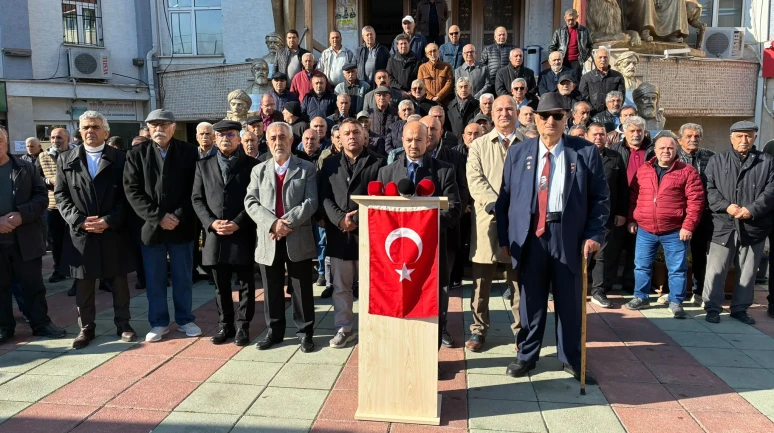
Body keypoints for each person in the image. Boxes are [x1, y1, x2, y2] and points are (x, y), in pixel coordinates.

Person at [495, 92, 609, 382]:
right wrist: (505, 238)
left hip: (567, 235)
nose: (550, 121)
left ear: (566, 118)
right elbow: (505, 198)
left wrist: (594, 234)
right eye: (544, 116)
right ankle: (526, 355)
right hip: (530, 235)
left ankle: (571, 357)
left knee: (569, 302)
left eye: (557, 116)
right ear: (535, 119)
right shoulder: (518, 153)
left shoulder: (585, 152)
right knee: (530, 301)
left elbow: (600, 199)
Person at [377, 121, 461, 358]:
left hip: (432, 253)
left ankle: (429, 360)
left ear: (428, 141)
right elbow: (379, 213)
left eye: (419, 139)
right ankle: (399, 357)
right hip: (398, 259)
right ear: (402, 141)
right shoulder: (387, 173)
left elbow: (454, 208)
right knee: (400, 305)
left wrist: (424, 226)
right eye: (409, 139)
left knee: (432, 306)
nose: (413, 144)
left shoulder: (444, 171)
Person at [54, 111, 136, 348]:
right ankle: (86, 328)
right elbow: (61, 195)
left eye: (95, 127)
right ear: (80, 132)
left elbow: (128, 196)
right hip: (82, 232)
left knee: (119, 281)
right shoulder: (66, 159)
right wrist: (78, 220)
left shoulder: (121, 158)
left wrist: (109, 220)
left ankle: (123, 324)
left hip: (113, 230)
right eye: (86, 127)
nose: (90, 131)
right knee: (84, 283)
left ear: (106, 132)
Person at [123, 109, 201, 342]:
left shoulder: (189, 151)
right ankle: (158, 322)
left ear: (173, 127)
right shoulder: (136, 153)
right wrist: (158, 217)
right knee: (154, 278)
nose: (159, 129)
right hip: (151, 227)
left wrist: (176, 216)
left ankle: (185, 319)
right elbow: (132, 190)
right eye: (154, 125)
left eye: (164, 124)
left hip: (181, 225)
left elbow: (195, 188)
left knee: (183, 277)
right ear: (148, 129)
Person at [245, 122, 318, 353]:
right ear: (267, 142)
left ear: (291, 141)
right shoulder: (258, 170)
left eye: (283, 137)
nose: (278, 142)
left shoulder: (306, 168)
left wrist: (286, 223)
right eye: (273, 138)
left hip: (297, 236)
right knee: (272, 288)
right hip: (269, 237)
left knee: (301, 288)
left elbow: (311, 202)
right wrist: (273, 223)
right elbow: (251, 202)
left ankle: (305, 333)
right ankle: (274, 332)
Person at [191, 120, 259, 346]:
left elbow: (257, 199)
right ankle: (225, 324)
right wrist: (211, 223)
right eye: (220, 135)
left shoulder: (253, 165)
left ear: (239, 138)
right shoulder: (203, 165)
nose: (225, 138)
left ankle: (243, 326)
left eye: (230, 134)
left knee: (246, 284)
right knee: (220, 284)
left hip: (242, 231)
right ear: (214, 139)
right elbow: (197, 199)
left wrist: (239, 222)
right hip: (215, 234)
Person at [319, 119, 385, 348]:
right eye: (346, 133)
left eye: (356, 132)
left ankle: (372, 327)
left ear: (364, 135)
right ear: (339, 138)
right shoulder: (329, 164)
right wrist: (340, 219)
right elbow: (324, 197)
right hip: (339, 234)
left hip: (369, 235)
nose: (351, 136)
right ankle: (344, 328)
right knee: (341, 287)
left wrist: (355, 219)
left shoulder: (379, 162)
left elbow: (382, 196)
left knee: (371, 287)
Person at [465, 95, 523, 352]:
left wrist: (518, 209)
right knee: (481, 282)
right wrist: (497, 205)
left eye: (509, 108)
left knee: (518, 281)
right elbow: (475, 179)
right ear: (492, 114)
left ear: (517, 112)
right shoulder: (479, 145)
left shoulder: (529, 144)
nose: (504, 113)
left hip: (519, 222)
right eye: (499, 109)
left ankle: (521, 331)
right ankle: (478, 330)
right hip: (487, 220)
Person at [625, 134, 704, 318]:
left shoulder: (687, 171)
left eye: (670, 148)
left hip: (675, 230)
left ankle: (676, 301)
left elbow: (696, 201)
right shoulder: (644, 170)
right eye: (662, 148)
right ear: (655, 150)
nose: (666, 151)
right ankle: (641, 297)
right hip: (645, 229)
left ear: (676, 150)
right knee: (641, 266)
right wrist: (631, 219)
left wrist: (688, 226)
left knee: (677, 269)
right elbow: (633, 197)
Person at [0, 128, 67, 344]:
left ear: (7, 142)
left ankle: (41, 323)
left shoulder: (25, 167)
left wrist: (22, 215)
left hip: (25, 240)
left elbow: (42, 198)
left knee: (33, 286)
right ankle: (3, 327)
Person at [703, 121, 774, 325]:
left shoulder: (767, 161)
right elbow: (709, 189)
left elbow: (771, 191)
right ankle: (712, 308)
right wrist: (726, 206)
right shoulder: (717, 160)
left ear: (754, 138)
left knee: (748, 271)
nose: (744, 140)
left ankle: (740, 309)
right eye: (740, 136)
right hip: (723, 224)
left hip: (754, 225)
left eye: (748, 136)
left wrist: (751, 209)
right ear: (731, 138)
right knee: (716, 269)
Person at [586, 123, 628, 308]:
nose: (598, 138)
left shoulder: (615, 157)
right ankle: (577, 288)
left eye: (602, 134)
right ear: (587, 136)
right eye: (595, 134)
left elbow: (623, 187)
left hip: (606, 214)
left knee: (602, 254)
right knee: (580, 253)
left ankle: (598, 291)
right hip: (581, 214)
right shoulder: (578, 155)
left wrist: (621, 212)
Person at [609, 116, 652, 292]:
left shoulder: (652, 151)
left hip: (643, 204)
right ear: (625, 132)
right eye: (632, 131)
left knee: (636, 249)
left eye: (639, 131)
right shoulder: (615, 150)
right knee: (613, 248)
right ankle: (606, 285)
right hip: (619, 203)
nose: (636, 134)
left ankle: (631, 284)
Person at [674, 123, 714, 306]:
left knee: (700, 255)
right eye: (689, 136)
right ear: (679, 139)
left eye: (697, 136)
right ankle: (674, 292)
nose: (693, 139)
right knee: (676, 255)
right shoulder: (673, 156)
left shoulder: (711, 157)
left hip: (703, 215)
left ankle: (698, 292)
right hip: (678, 214)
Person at [37, 128, 70, 284]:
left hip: (74, 205)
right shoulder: (43, 156)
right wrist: (48, 181)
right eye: (53, 137)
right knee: (55, 241)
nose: (56, 140)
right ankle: (59, 270)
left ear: (68, 139)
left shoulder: (77, 153)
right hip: (53, 206)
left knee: (76, 240)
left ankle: (79, 271)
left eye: (59, 137)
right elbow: (36, 178)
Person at [549, 9, 594, 82]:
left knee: (576, 83)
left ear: (577, 17)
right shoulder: (559, 31)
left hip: (577, 62)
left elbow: (590, 46)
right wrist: (555, 59)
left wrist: (584, 58)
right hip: (563, 61)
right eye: (568, 20)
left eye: (572, 19)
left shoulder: (584, 31)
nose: (570, 22)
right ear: (565, 18)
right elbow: (552, 47)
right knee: (562, 82)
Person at [579, 48, 625, 116]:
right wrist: (591, 111)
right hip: (592, 114)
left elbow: (621, 96)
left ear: (609, 59)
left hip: (611, 114)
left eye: (605, 57)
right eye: (600, 57)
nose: (603, 59)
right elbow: (583, 97)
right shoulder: (586, 77)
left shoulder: (618, 76)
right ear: (595, 59)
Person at [481, 27, 515, 91]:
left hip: (508, 82)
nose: (502, 37)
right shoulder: (488, 49)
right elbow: (482, 66)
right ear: (495, 37)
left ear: (506, 36)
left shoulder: (512, 49)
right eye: (500, 35)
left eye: (504, 35)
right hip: (491, 83)